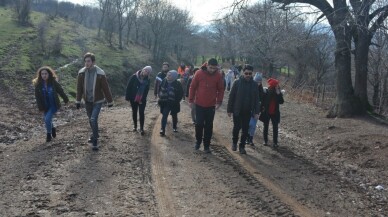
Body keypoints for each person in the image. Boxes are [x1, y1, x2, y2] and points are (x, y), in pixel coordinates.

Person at [76, 52, 113, 150]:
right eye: (85, 61)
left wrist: (110, 101)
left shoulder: (100, 73)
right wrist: (78, 101)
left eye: (88, 61)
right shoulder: (81, 73)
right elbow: (79, 88)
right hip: (87, 100)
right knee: (90, 119)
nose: (86, 63)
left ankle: (95, 140)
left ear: (93, 62)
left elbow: (106, 88)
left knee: (93, 119)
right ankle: (94, 135)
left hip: (98, 100)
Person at [189, 58, 225, 153]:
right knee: (199, 124)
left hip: (211, 105)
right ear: (207, 65)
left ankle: (206, 145)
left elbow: (221, 89)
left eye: (214, 68)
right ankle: (198, 141)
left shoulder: (218, 75)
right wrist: (191, 100)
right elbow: (192, 86)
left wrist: (219, 101)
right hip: (199, 104)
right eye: (210, 67)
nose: (212, 70)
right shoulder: (199, 73)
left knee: (209, 126)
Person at [227, 64, 261, 154]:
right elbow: (231, 97)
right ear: (243, 72)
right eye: (246, 73)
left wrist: (257, 112)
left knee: (245, 130)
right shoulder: (237, 82)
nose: (248, 75)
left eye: (250, 73)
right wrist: (229, 110)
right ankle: (234, 142)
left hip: (248, 111)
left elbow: (257, 99)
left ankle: (242, 146)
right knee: (237, 128)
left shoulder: (254, 84)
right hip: (237, 110)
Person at [33, 66, 69, 142]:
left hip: (53, 104)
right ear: (40, 75)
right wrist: (40, 108)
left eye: (45, 73)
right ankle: (52, 128)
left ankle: (48, 134)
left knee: (47, 119)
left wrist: (66, 99)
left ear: (49, 74)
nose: (44, 75)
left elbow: (60, 91)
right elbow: (37, 98)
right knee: (47, 120)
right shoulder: (38, 85)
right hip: (45, 106)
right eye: (42, 74)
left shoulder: (53, 82)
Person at [125, 66, 152, 135]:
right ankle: (135, 126)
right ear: (143, 70)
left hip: (142, 99)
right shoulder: (134, 76)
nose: (146, 72)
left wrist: (142, 99)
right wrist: (127, 97)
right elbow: (129, 87)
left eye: (148, 72)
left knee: (141, 113)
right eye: (146, 70)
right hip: (133, 98)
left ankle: (142, 128)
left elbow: (146, 90)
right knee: (134, 112)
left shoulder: (148, 80)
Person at [158, 70, 183, 136]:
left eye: (170, 75)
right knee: (164, 115)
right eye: (167, 75)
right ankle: (162, 129)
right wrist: (160, 95)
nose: (168, 76)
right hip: (165, 101)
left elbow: (181, 93)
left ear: (174, 76)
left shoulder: (178, 83)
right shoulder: (164, 80)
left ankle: (174, 127)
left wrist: (176, 101)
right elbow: (160, 88)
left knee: (174, 115)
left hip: (174, 102)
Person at [260, 78, 284, 148]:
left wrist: (278, 94)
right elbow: (263, 102)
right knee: (266, 127)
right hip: (267, 112)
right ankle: (265, 141)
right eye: (276, 85)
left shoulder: (278, 92)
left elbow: (281, 102)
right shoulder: (267, 91)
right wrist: (261, 109)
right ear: (273, 85)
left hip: (275, 113)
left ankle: (275, 142)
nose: (278, 86)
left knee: (275, 128)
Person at [247, 72, 264, 146]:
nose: (258, 83)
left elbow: (262, 101)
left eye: (259, 82)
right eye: (257, 82)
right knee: (248, 124)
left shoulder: (261, 90)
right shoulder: (250, 87)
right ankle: (246, 137)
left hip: (256, 111)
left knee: (253, 125)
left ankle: (250, 139)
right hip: (248, 109)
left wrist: (260, 109)